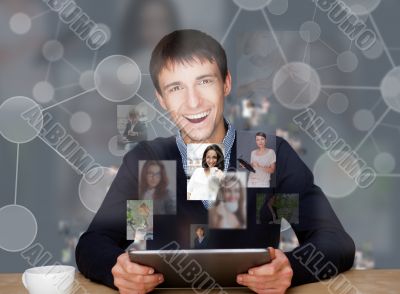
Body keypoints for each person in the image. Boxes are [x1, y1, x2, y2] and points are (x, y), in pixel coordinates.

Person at [76, 29, 355, 294]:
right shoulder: (150, 163)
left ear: (226, 83)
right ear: (160, 99)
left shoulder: (269, 157)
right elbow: (95, 243)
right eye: (176, 88)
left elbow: (333, 241)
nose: (193, 102)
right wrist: (117, 268)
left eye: (204, 81)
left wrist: (291, 269)